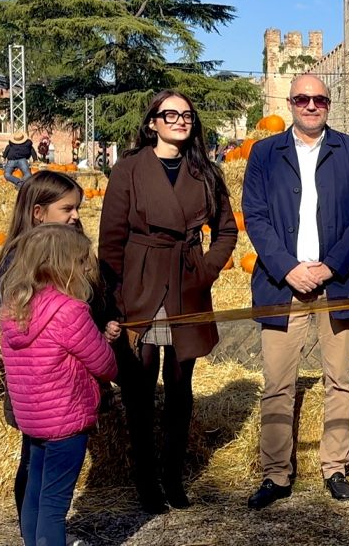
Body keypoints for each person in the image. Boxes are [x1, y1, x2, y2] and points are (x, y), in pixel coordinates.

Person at [99, 90, 239, 513]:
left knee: (180, 387)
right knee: (140, 389)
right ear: (152, 123)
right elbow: (111, 241)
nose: (180, 120)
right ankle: (145, 482)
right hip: (141, 285)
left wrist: (207, 268)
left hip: (186, 285)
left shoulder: (206, 172)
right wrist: (118, 298)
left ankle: (173, 478)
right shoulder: (129, 170)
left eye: (187, 115)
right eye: (170, 114)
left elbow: (227, 231)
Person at [243, 75, 349, 509]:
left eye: (319, 99)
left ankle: (335, 467)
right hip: (283, 284)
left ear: (329, 103)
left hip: (338, 282)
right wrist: (288, 268)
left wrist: (329, 266)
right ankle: (275, 474)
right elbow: (256, 216)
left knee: (340, 379)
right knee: (278, 382)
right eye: (303, 98)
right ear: (290, 103)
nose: (311, 105)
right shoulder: (265, 153)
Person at [0, 171, 121, 522]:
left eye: (77, 207)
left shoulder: (70, 256)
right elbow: (53, 322)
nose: (76, 215)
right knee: (36, 473)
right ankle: (32, 534)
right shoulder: (15, 266)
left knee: (40, 478)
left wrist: (103, 322)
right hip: (47, 387)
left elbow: (91, 304)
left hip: (51, 383)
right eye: (67, 209)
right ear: (38, 213)